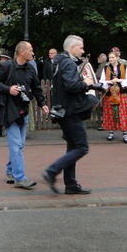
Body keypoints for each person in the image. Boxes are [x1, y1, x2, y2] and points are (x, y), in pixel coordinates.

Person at [42, 35, 97, 195]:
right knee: (82, 147)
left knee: (73, 146)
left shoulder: (60, 62)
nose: (83, 51)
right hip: (71, 111)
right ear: (72, 48)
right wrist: (86, 84)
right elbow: (72, 86)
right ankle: (52, 171)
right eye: (81, 47)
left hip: (64, 111)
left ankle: (71, 184)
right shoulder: (68, 63)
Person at [0, 42, 49, 189]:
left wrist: (42, 104)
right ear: (22, 52)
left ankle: (11, 171)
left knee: (20, 145)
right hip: (9, 110)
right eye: (31, 50)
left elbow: (36, 88)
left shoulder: (30, 68)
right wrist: (8, 89)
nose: (33, 53)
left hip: (23, 109)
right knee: (16, 145)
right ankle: (20, 178)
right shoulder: (7, 66)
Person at [100, 50, 127, 143]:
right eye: (110, 58)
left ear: (117, 58)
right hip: (110, 94)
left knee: (122, 113)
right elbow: (102, 81)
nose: (111, 59)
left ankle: (125, 134)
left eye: (113, 57)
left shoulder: (124, 67)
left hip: (121, 93)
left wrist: (119, 80)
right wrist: (108, 82)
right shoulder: (106, 68)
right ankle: (111, 132)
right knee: (110, 113)